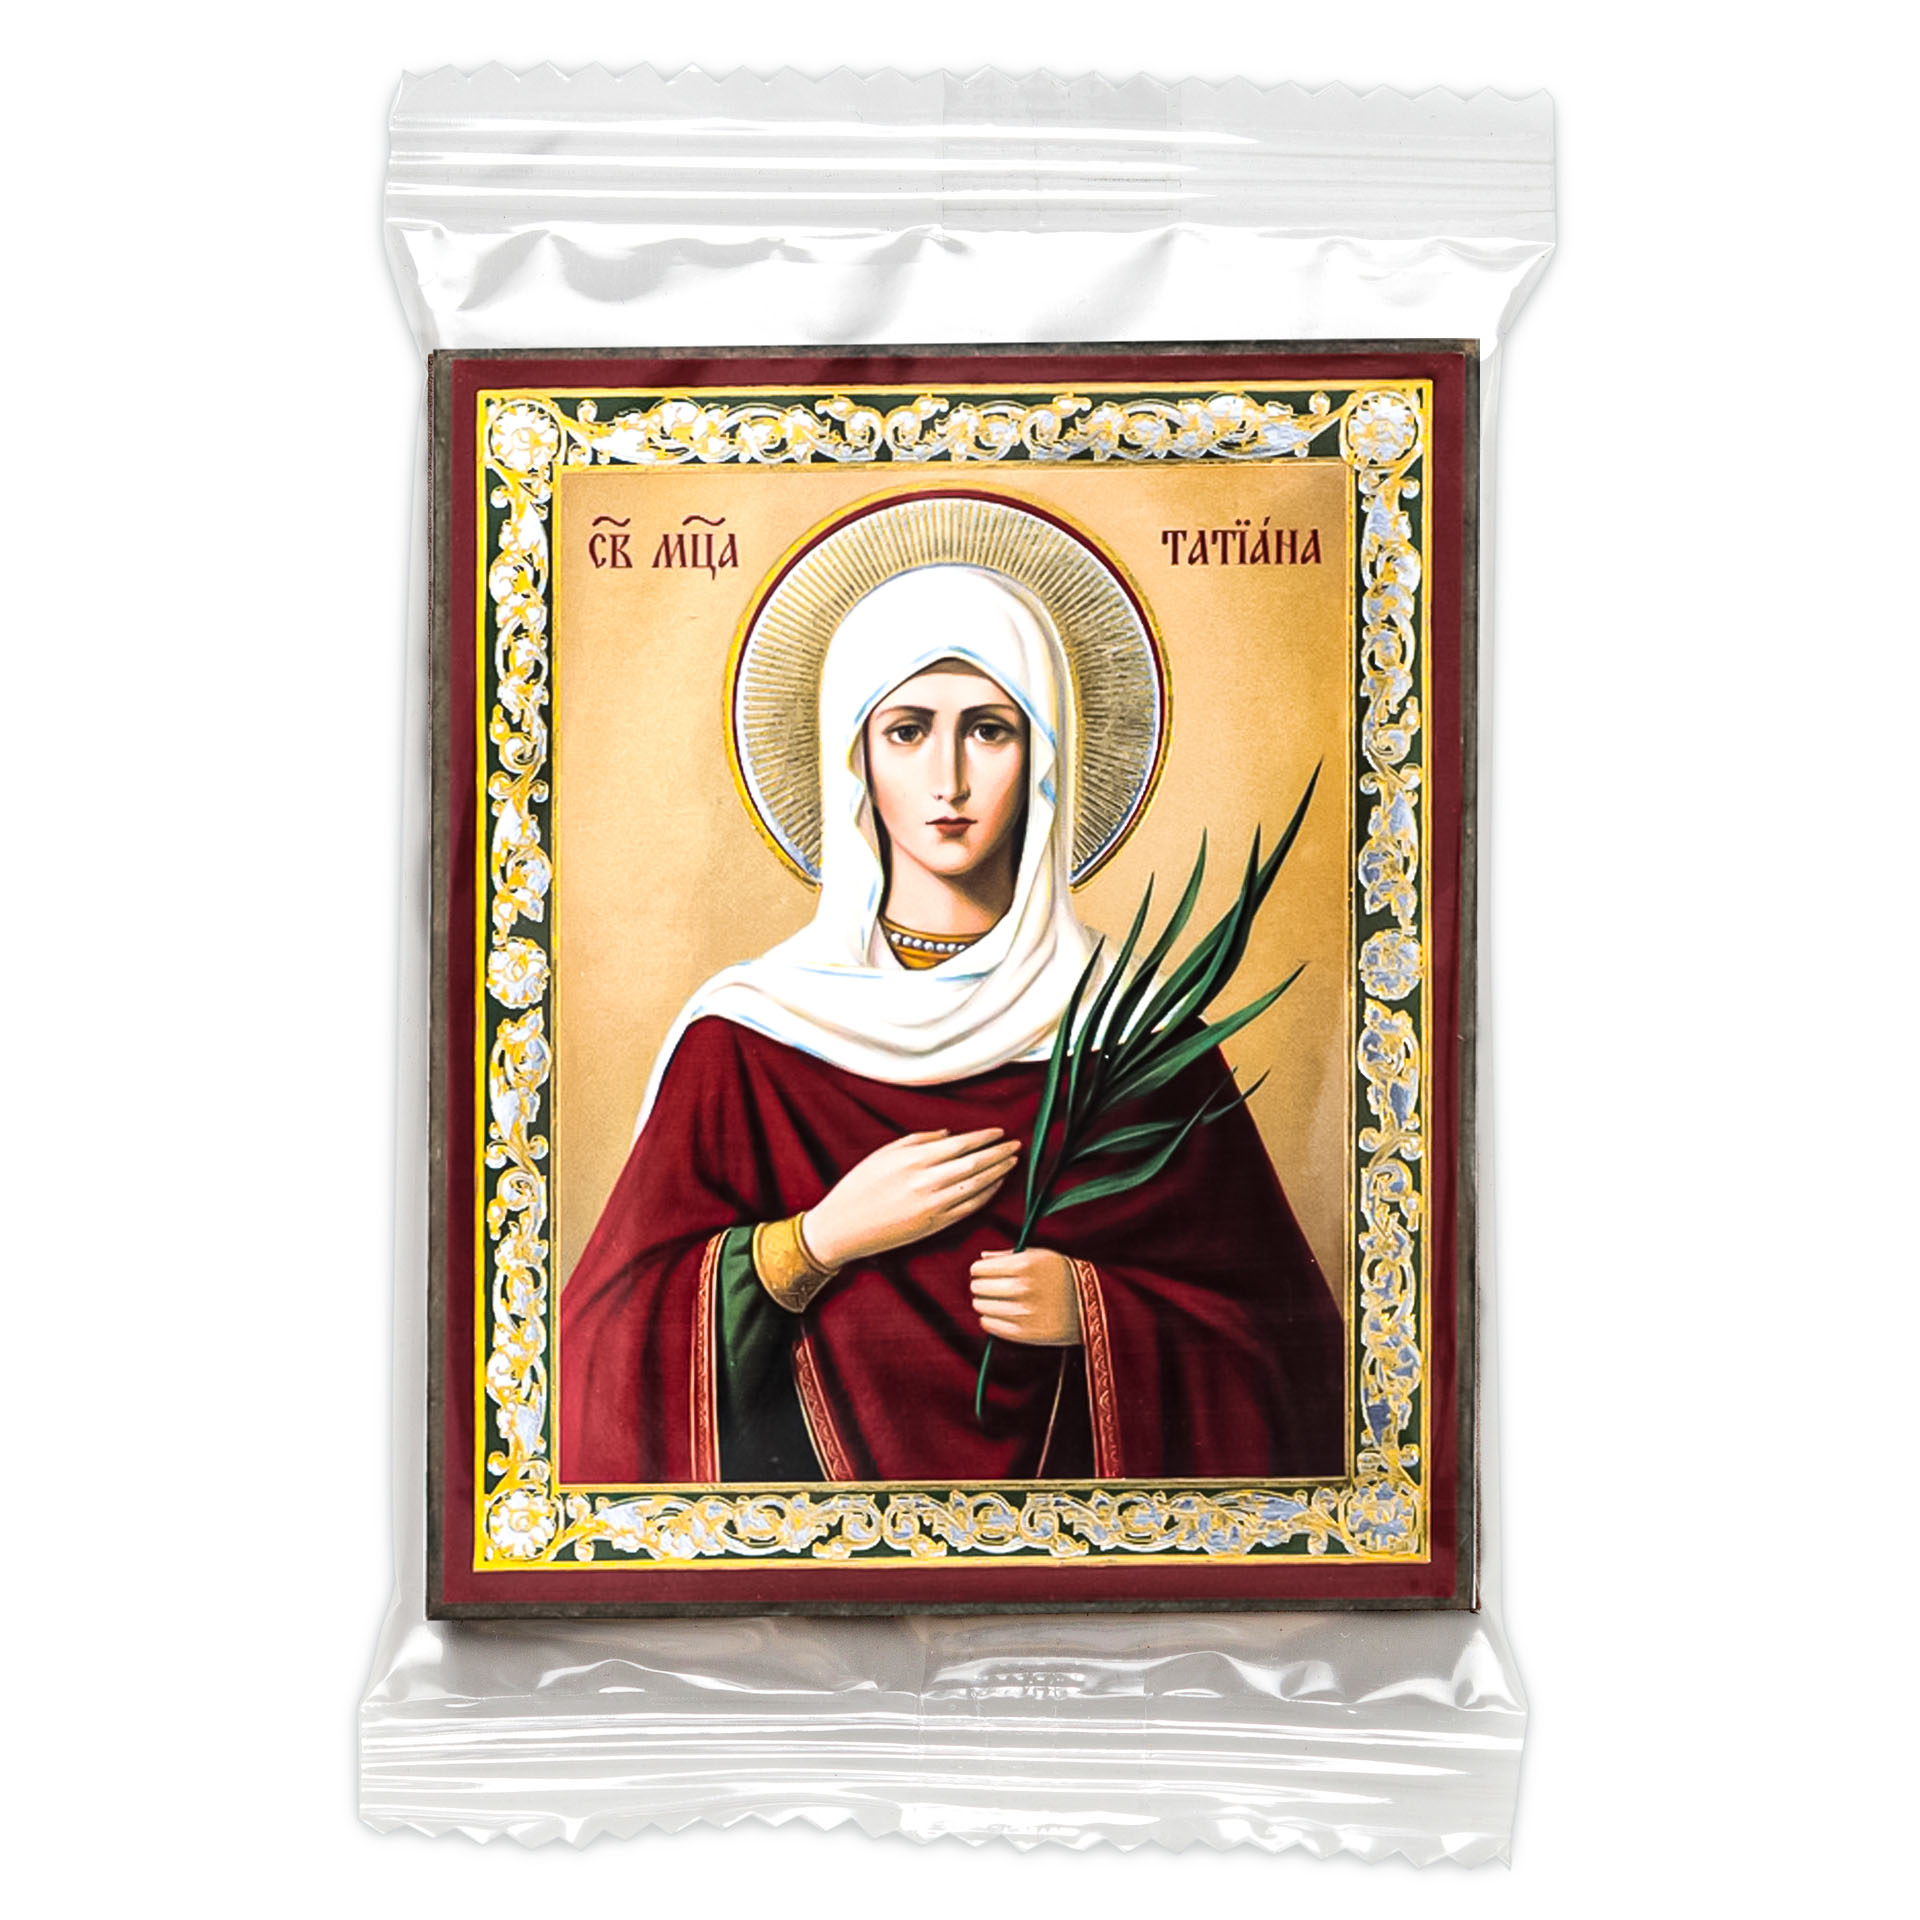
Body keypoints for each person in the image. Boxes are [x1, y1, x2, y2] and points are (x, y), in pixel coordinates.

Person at [559, 564, 1344, 1485]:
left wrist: (1095, 1312)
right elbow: (598, 1359)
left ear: (1044, 753)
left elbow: (1297, 1369)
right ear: (855, 758)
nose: (950, 779)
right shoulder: (748, 1040)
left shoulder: (1141, 1040)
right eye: (907, 731)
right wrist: (811, 1244)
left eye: (988, 729)